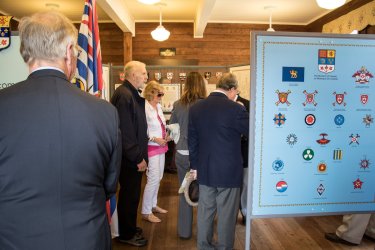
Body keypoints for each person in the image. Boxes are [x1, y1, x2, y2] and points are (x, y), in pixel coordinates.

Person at [0, 11, 121, 250]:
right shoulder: (104, 112)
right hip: (87, 239)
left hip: (14, 240)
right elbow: (109, 185)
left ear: (26, 53)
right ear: (68, 51)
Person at [188, 73, 249, 250]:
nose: (236, 95)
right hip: (229, 170)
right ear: (230, 89)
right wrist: (241, 109)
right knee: (227, 215)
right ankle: (224, 247)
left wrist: (194, 166)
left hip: (205, 168)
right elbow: (251, 131)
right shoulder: (237, 109)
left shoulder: (196, 108)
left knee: (205, 212)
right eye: (236, 91)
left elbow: (192, 140)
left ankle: (204, 246)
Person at [111, 60, 149, 247]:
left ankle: (129, 227)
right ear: (133, 75)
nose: (146, 76)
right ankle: (126, 233)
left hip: (132, 158)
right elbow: (125, 132)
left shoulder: (129, 94)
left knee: (132, 195)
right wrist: (138, 157)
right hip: (129, 160)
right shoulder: (124, 95)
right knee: (128, 195)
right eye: (143, 73)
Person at [170, 72, 207, 239]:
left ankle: (184, 232)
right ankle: (203, 234)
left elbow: (172, 128)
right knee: (205, 194)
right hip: (202, 157)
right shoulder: (207, 104)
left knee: (184, 191)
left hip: (182, 154)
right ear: (202, 85)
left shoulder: (178, 104)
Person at [141, 80, 170, 223]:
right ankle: (146, 211)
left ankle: (153, 205)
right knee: (152, 178)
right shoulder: (144, 108)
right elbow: (142, 130)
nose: (161, 97)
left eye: (162, 94)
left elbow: (161, 124)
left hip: (161, 145)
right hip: (151, 146)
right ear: (151, 93)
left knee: (159, 177)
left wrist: (167, 135)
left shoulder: (158, 106)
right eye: (159, 94)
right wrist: (155, 138)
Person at [235, 94, 250, 225]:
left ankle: (245, 212)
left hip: (244, 152)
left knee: (245, 184)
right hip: (226, 154)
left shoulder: (248, 104)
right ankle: (229, 214)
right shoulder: (221, 105)